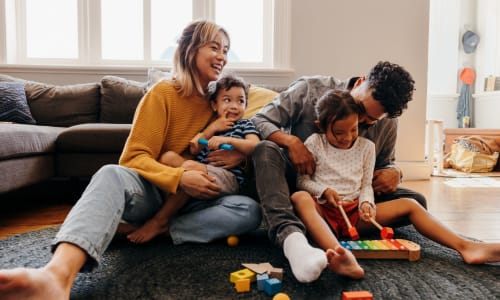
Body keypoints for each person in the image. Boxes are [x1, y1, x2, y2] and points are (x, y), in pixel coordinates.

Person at [0, 20, 261, 300]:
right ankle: (56, 276)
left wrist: (239, 157)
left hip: (194, 204)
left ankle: (149, 229)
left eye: (226, 49)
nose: (223, 56)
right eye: (214, 47)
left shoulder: (220, 103)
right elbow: (134, 157)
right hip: (153, 193)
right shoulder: (162, 94)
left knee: (248, 211)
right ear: (190, 49)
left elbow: (245, 131)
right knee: (110, 173)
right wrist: (179, 175)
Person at [290, 90, 500, 281]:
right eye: (338, 133)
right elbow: (303, 182)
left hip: (354, 214)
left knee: (410, 203)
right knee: (299, 197)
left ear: (359, 122)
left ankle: (466, 247)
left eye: (353, 130)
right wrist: (324, 191)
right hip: (324, 213)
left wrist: (366, 204)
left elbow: (365, 186)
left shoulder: (366, 147)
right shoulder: (314, 143)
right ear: (322, 126)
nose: (347, 138)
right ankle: (340, 254)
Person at [251, 61, 425, 283]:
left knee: (416, 201)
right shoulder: (309, 90)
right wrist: (292, 142)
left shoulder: (388, 122)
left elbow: (385, 164)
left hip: (348, 200)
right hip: (296, 186)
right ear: (361, 83)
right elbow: (259, 119)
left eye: (369, 121)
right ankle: (291, 236)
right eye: (361, 110)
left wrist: (395, 172)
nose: (359, 123)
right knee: (265, 150)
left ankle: (326, 228)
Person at [127, 74, 260, 244]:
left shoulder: (245, 124)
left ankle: (160, 221)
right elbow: (194, 147)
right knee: (168, 157)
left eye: (240, 101)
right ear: (214, 105)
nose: (234, 106)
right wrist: (211, 129)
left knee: (190, 167)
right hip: (199, 174)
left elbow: (255, 146)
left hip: (226, 178)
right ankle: (168, 218)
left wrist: (228, 140)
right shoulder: (210, 124)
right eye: (227, 100)